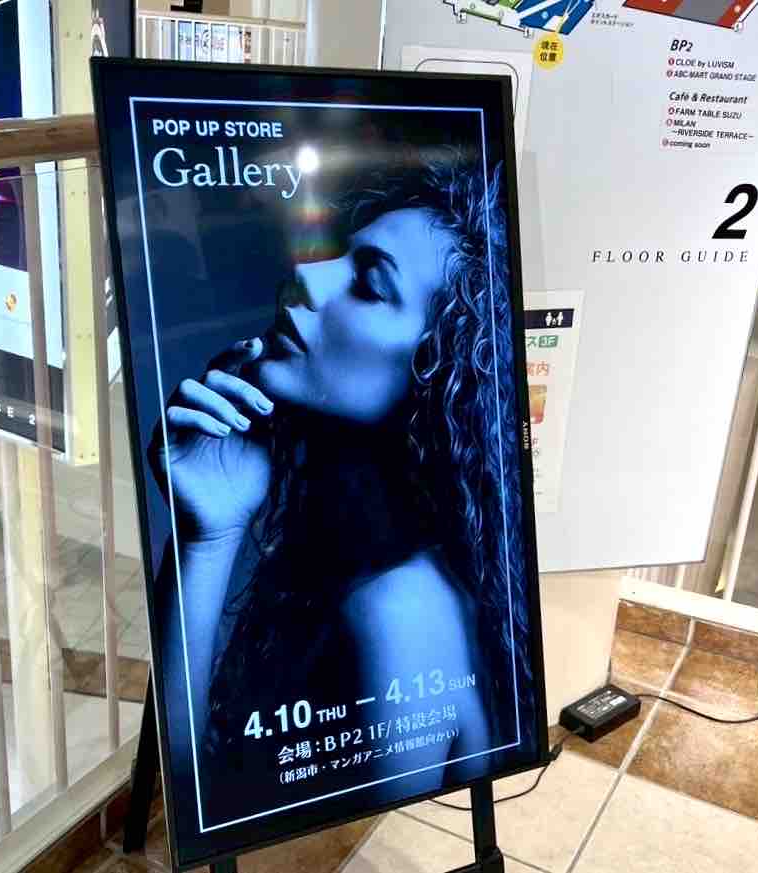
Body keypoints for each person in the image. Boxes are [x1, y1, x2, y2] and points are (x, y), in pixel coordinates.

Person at [150, 152, 534, 814]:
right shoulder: (354, 541)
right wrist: (206, 537)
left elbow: (225, 816)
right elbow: (210, 803)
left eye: (370, 285)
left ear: (435, 371)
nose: (308, 272)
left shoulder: (397, 613)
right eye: (341, 255)